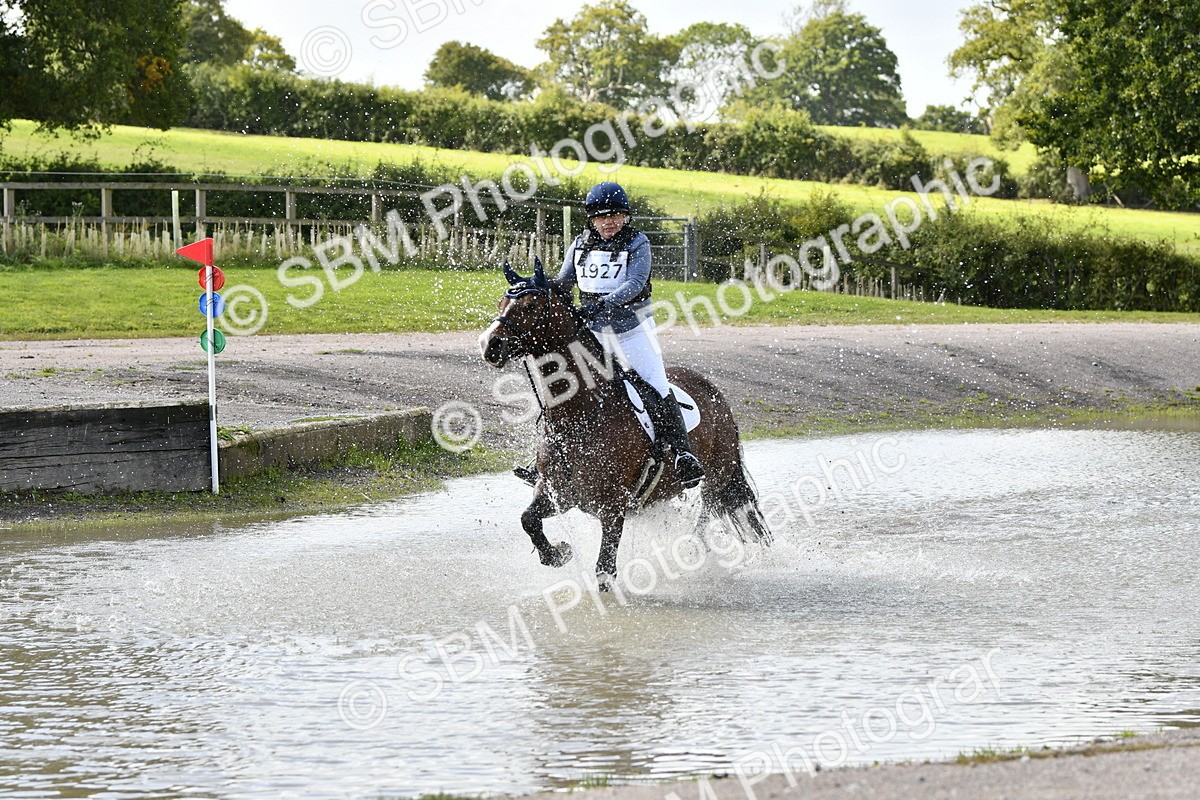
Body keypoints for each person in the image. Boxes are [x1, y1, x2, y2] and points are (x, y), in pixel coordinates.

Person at [552, 181, 706, 489]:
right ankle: (550, 460)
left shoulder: (638, 243)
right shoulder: (580, 246)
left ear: (626, 217)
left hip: (633, 332)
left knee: (657, 387)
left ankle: (683, 456)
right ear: (591, 219)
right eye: (601, 216)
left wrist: (602, 303)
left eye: (615, 215)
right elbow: (563, 283)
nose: (608, 221)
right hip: (593, 335)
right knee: (568, 391)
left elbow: (635, 283)